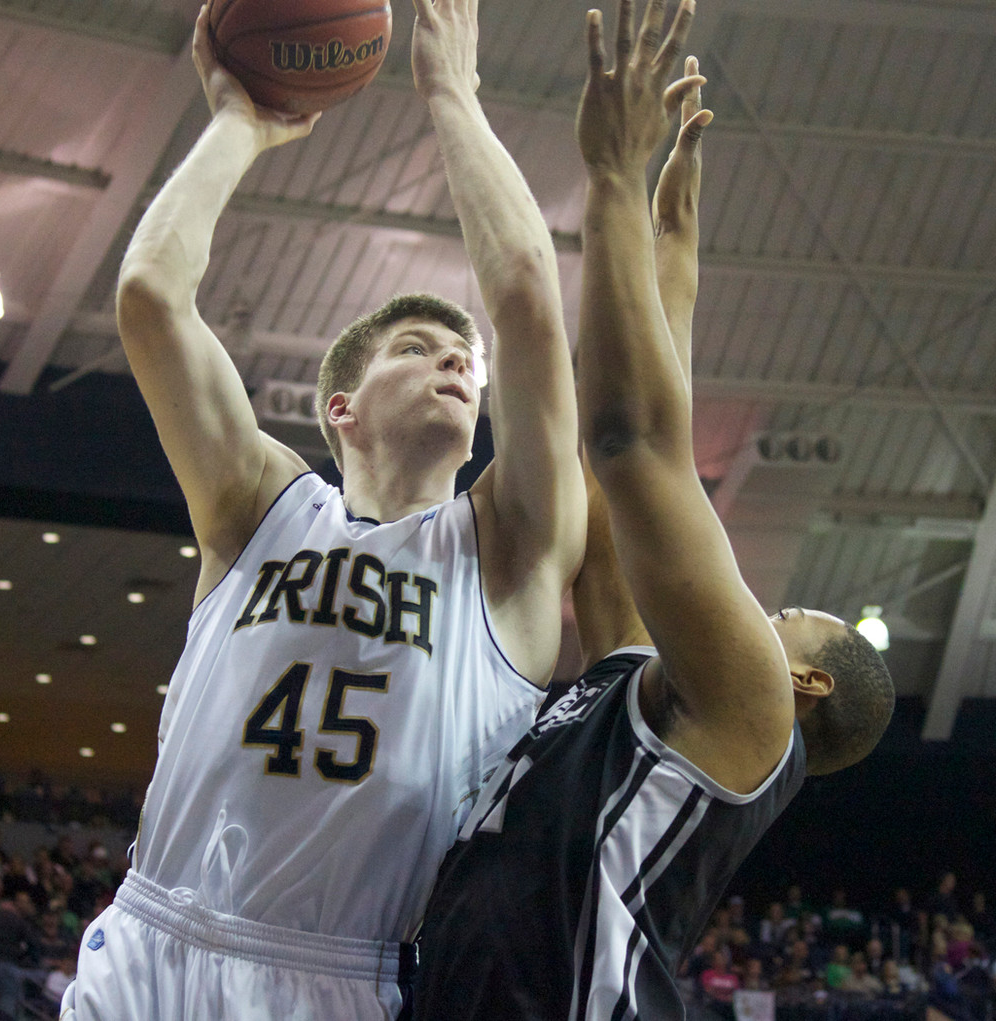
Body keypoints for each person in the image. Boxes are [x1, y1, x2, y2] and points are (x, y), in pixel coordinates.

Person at [60, 0, 585, 1017]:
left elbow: (524, 292)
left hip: (333, 973)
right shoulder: (259, 504)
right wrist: (237, 128)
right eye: (415, 348)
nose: (455, 362)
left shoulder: (508, 548)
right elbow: (150, 297)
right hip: (150, 937)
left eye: (462, 358)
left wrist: (454, 98)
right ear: (336, 407)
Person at [410, 0, 894, 1017]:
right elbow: (609, 489)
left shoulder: (752, 710)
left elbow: (634, 446)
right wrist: (670, 257)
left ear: (800, 678)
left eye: (781, 616)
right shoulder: (644, 687)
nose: (757, 608)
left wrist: (613, 185)